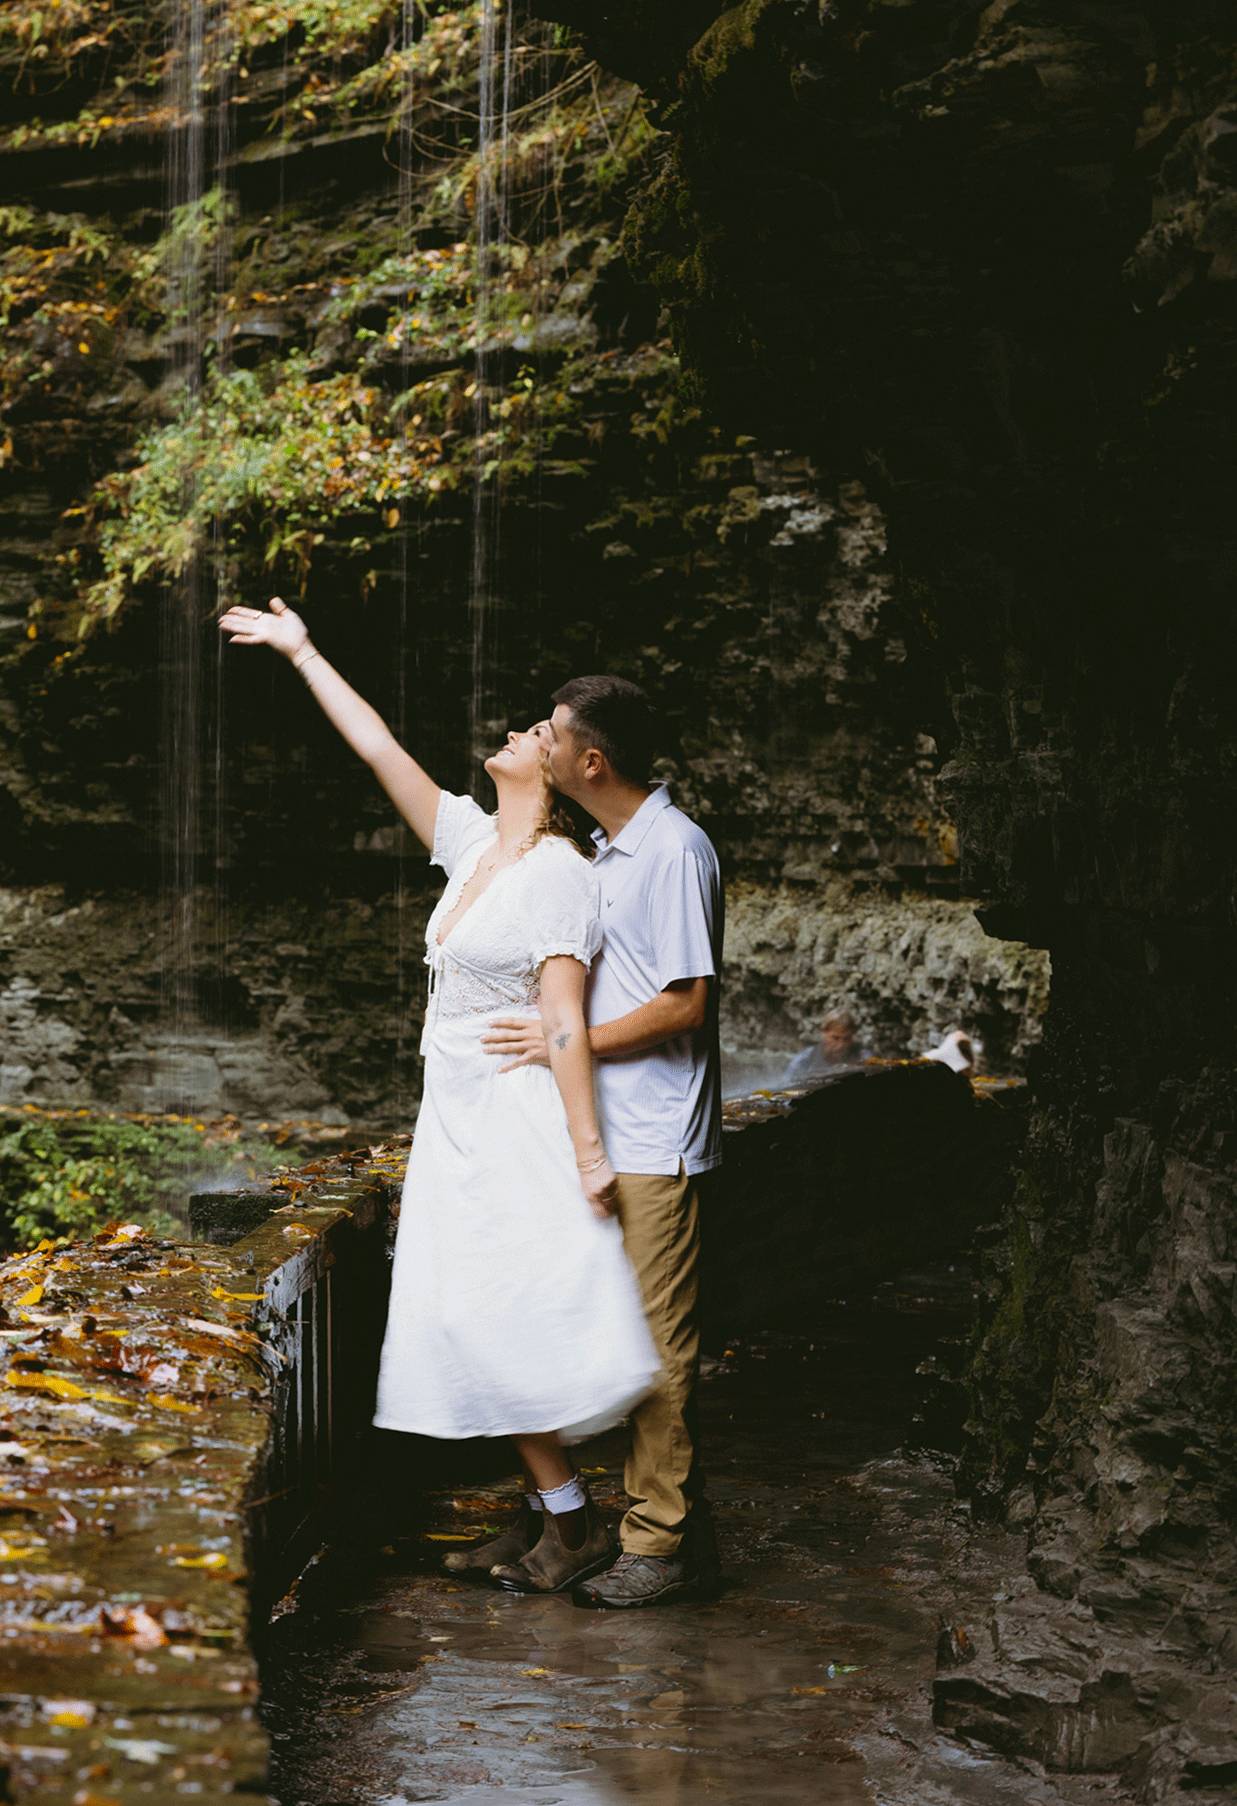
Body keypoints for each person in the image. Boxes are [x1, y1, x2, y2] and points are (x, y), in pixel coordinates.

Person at [218, 600, 660, 1596]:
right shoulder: (471, 844)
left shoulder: (555, 871)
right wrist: (303, 652)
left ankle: (571, 1525)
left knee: (496, 1312)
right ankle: (554, 1518)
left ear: (553, 772)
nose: (513, 733)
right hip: (454, 1117)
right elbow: (379, 751)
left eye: (534, 734)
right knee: (467, 1314)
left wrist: (589, 1153)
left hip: (513, 1120)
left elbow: (560, 1019)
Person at [481, 676, 724, 1609]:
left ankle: (658, 1547)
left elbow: (684, 1004)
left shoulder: (672, 850)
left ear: (592, 761)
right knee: (571, 1329)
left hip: (653, 1142)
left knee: (656, 1350)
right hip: (591, 1134)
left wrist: (559, 1044)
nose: (535, 740)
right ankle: (564, 1520)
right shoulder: (604, 851)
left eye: (553, 734)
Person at [780, 1009, 869, 1086]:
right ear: (824, 1033)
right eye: (835, 1038)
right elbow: (784, 1086)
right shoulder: (804, 1059)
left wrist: (851, 1069)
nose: (841, 1044)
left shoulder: (861, 1054)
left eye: (846, 1039)